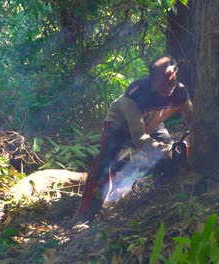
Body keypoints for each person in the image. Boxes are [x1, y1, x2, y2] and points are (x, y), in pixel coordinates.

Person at [79, 56, 192, 214]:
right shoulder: (136, 93)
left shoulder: (180, 92)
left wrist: (188, 143)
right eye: (163, 82)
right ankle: (86, 212)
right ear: (152, 79)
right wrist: (168, 150)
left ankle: (163, 197)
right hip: (119, 124)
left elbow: (192, 120)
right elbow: (139, 139)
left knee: (172, 157)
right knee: (106, 162)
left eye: (172, 80)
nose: (169, 86)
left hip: (152, 124)